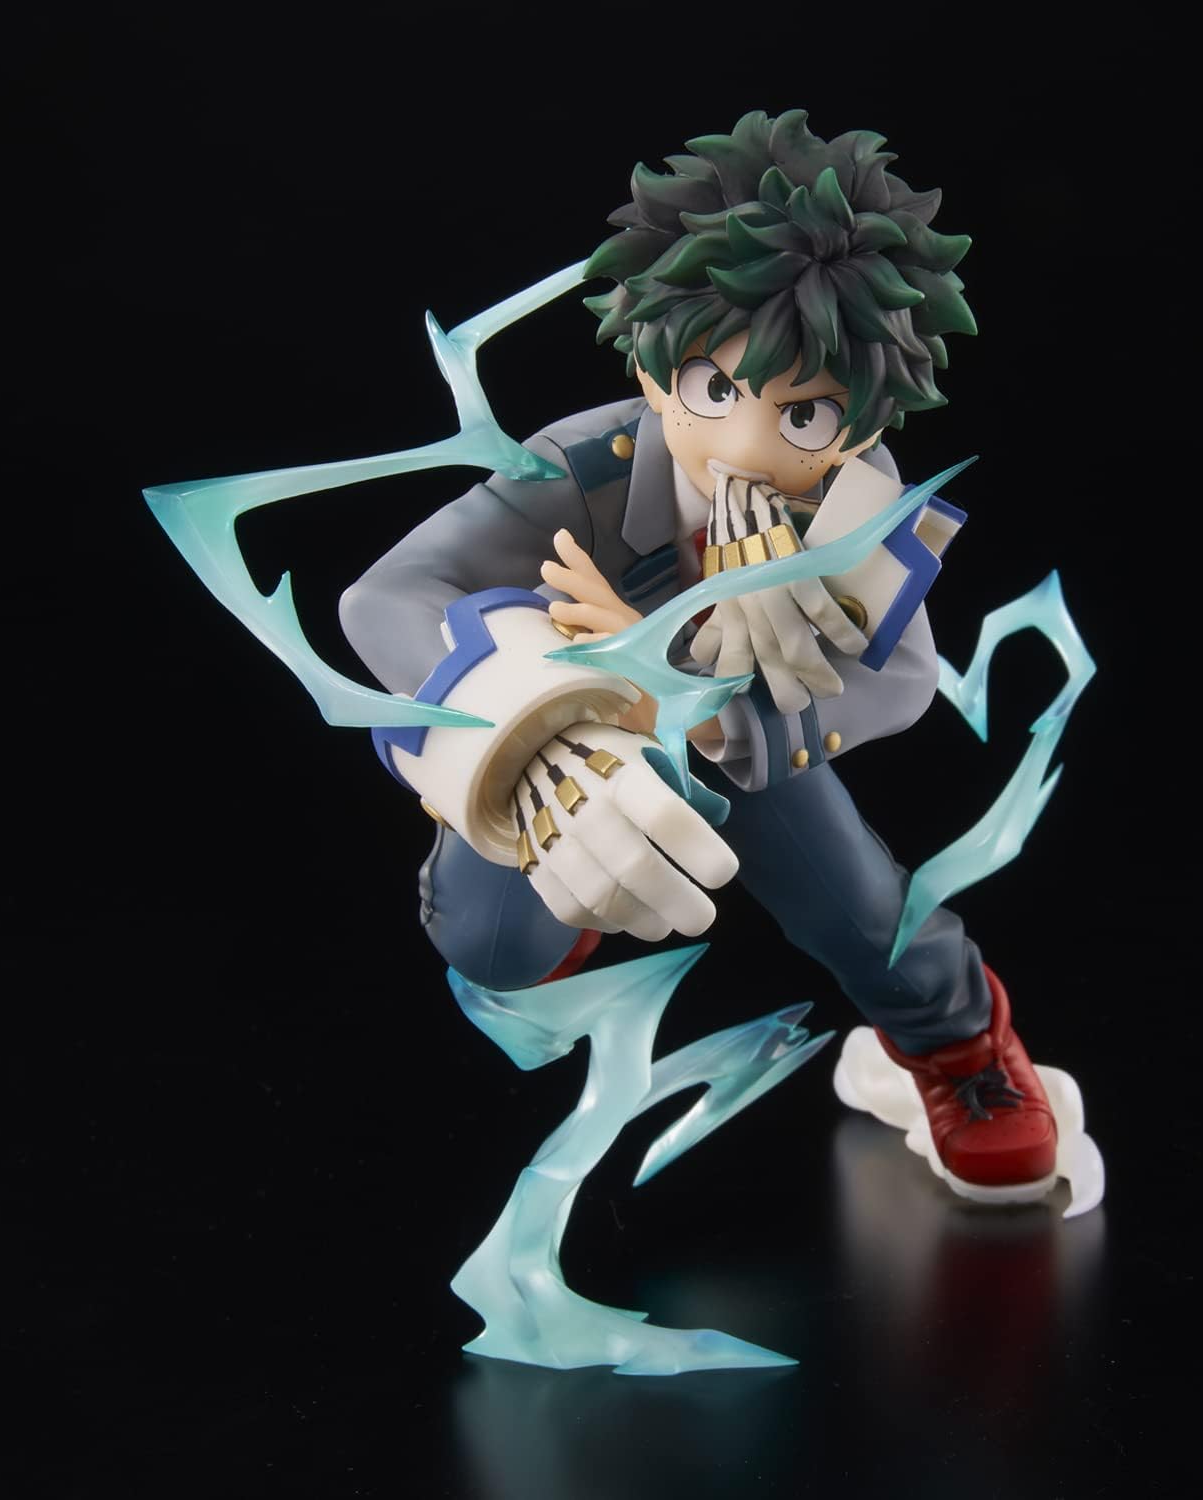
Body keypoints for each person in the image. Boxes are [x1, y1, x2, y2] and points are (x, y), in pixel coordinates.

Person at [340, 109, 1060, 1203]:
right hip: (569, 737)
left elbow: (903, 679)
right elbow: (386, 597)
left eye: (805, 416)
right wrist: (530, 699)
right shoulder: (582, 468)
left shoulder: (864, 522)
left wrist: (711, 699)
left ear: (865, 425)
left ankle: (961, 1051)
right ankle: (556, 890)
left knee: (862, 912)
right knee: (489, 945)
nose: (744, 448)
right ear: (651, 366)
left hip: (749, 737)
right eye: (714, 392)